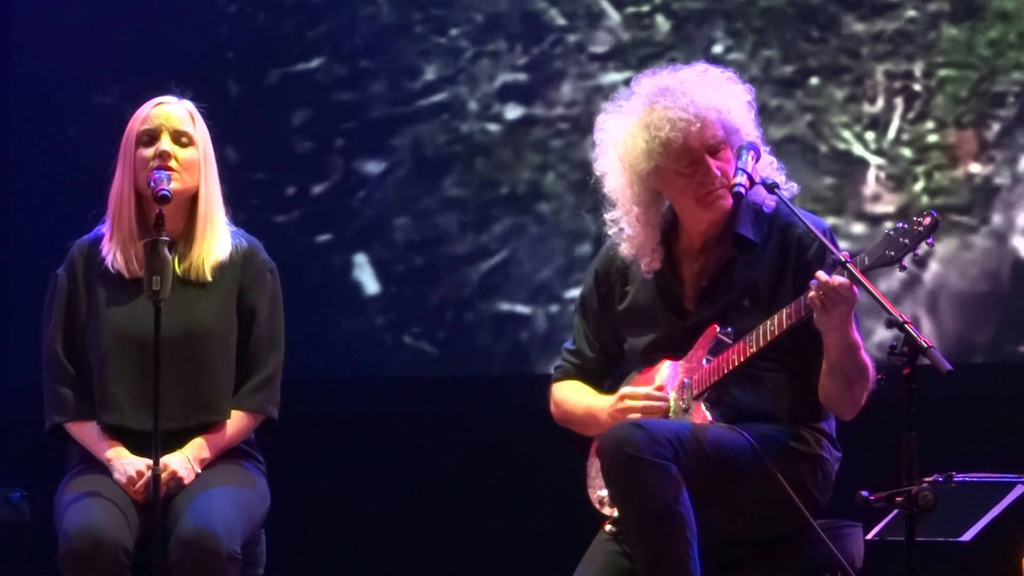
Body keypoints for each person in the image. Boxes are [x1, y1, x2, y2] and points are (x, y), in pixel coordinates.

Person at [549, 62, 875, 575]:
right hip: (656, 475)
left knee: (635, 443)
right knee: (633, 442)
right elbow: (565, 391)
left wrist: (839, 332)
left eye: (718, 149)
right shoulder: (624, 261)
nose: (713, 171)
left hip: (779, 462)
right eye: (687, 164)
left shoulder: (795, 238)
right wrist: (609, 409)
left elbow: (847, 403)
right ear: (653, 178)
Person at [42, 95, 284, 576]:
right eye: (148, 139)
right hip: (106, 458)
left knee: (204, 540)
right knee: (91, 540)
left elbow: (260, 387)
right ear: (129, 162)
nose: (164, 150)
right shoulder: (85, 263)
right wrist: (115, 456)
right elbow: (64, 384)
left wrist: (194, 455)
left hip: (219, 458)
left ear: (203, 161)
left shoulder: (246, 262)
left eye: (181, 139)